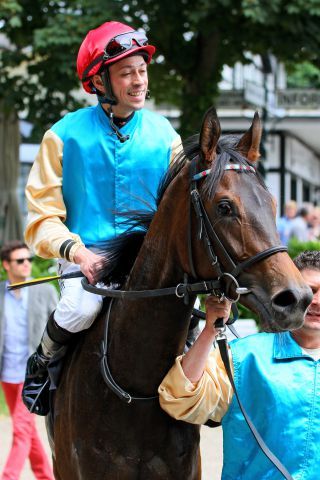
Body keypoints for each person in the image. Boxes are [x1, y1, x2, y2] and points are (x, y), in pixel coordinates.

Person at [22, 20, 182, 415]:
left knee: (192, 316)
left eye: (142, 71)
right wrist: (78, 254)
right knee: (80, 309)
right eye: (127, 73)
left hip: (148, 260)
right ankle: (43, 361)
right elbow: (41, 217)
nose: (139, 80)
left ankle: (206, 391)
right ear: (98, 83)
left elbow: (180, 211)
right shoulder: (61, 136)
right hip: (86, 256)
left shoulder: (166, 137)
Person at [159, 250, 320, 479]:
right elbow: (181, 399)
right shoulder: (244, 356)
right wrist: (209, 331)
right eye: (309, 290)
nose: (316, 301)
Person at [0, 240, 57, 480]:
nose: (26, 264)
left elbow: (59, 326)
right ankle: (45, 475)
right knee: (28, 432)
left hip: (32, 374)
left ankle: (8, 476)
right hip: (7, 374)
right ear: (6, 265)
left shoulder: (44, 291)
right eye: (20, 260)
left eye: (29, 259)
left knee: (22, 430)